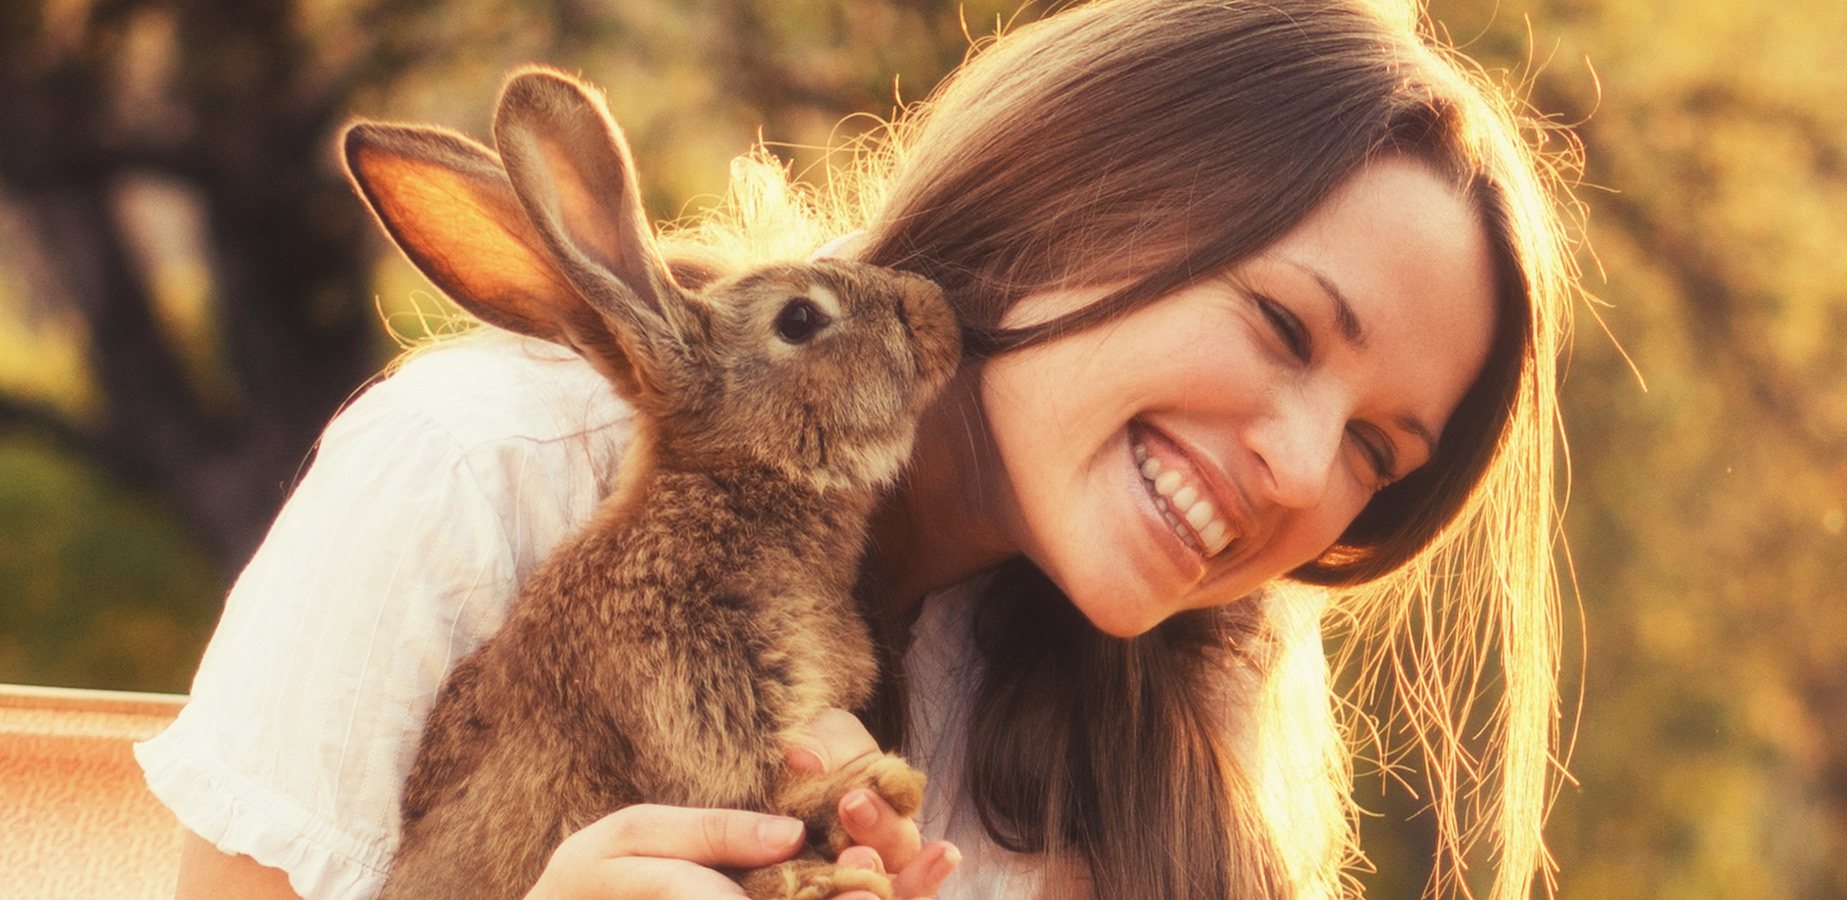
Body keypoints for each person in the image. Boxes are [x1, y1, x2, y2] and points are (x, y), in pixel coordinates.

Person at [136, 0, 1577, 897]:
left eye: (1380, 457)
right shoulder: (482, 474)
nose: (1301, 471)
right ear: (1082, 196)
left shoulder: (1183, 704)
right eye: (1281, 326)